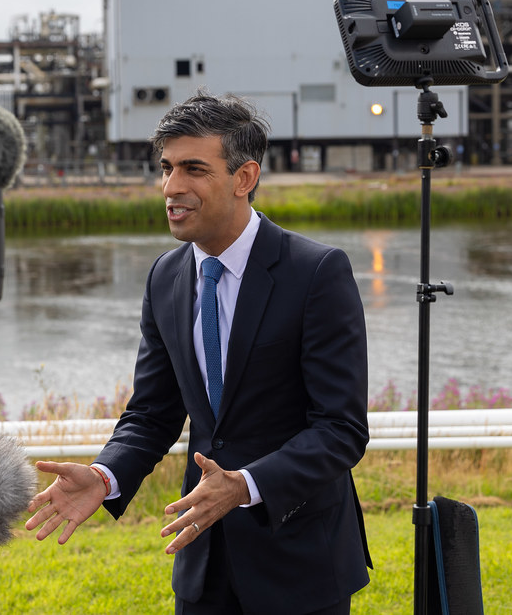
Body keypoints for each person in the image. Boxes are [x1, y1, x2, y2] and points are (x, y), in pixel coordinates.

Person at [26, 91, 372, 614]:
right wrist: (105, 475)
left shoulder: (316, 272)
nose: (171, 187)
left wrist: (245, 485)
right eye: (166, 168)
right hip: (201, 563)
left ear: (244, 177)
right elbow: (152, 413)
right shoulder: (164, 277)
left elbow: (340, 429)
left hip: (300, 560)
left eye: (193, 169)